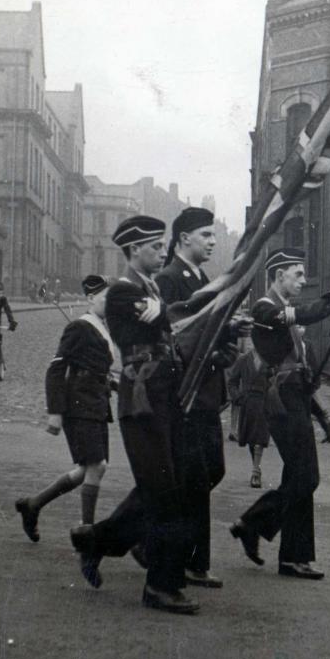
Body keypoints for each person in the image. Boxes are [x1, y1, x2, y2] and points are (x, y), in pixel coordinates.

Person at [69, 215, 204, 614]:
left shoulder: (149, 289)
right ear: (132, 252)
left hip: (164, 398)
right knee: (164, 493)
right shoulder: (123, 293)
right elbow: (171, 316)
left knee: (163, 488)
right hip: (142, 401)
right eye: (154, 247)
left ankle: (95, 541)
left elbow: (168, 315)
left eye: (162, 245)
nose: (162, 252)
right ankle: (159, 587)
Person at [229, 248, 330, 579]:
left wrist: (322, 414)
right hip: (280, 402)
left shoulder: (283, 314)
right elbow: (306, 313)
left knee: (298, 477)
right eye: (298, 275)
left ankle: (294, 557)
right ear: (279, 277)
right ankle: (252, 523)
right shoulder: (265, 309)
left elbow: (302, 372)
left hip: (296, 399)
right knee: (307, 477)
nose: (303, 281)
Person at [155, 206, 236, 589]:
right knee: (196, 476)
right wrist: (215, 350)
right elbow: (175, 336)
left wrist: (228, 336)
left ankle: (128, 533)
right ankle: (192, 562)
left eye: (214, 235)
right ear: (184, 238)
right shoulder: (171, 280)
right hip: (186, 394)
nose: (213, 241)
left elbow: (208, 331)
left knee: (210, 471)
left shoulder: (200, 278)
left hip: (204, 391)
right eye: (206, 235)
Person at [15, 275, 116, 540]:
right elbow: (56, 367)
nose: (112, 303)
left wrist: (114, 383)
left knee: (88, 469)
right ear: (90, 298)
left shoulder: (102, 326)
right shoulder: (81, 327)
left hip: (97, 403)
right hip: (79, 405)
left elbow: (96, 366)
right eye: (107, 298)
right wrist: (55, 412)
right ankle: (86, 531)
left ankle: (33, 505)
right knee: (97, 466)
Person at [227, 339, 269, 489]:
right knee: (252, 439)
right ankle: (255, 465)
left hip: (264, 403)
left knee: (260, 439)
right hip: (248, 403)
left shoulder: (269, 359)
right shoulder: (243, 360)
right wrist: (238, 397)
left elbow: (276, 381)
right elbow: (232, 381)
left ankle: (255, 472)